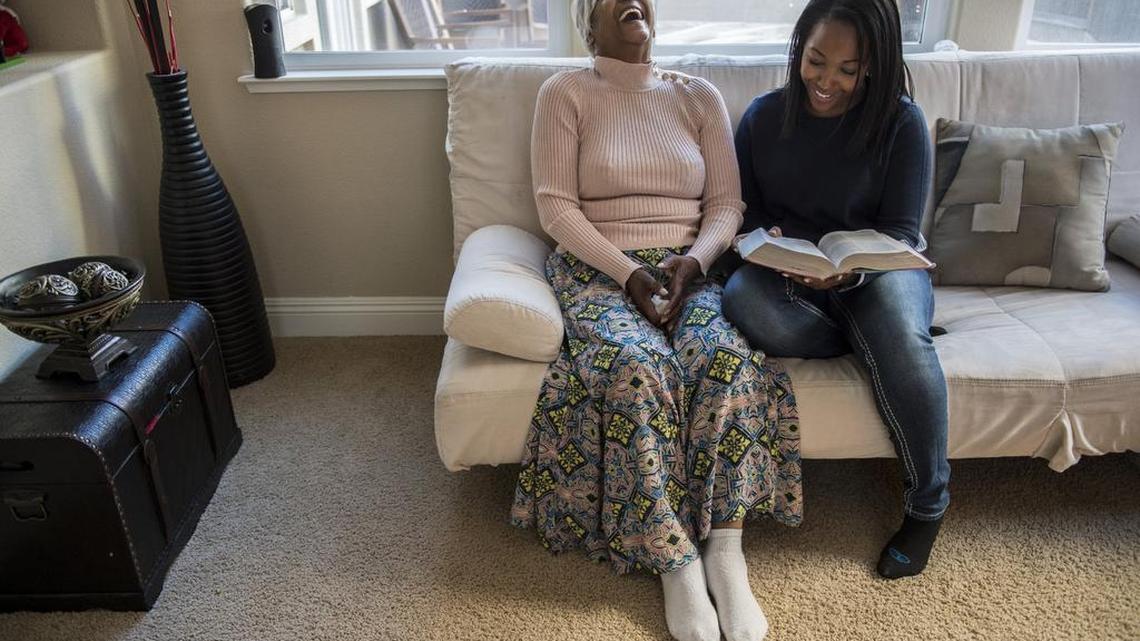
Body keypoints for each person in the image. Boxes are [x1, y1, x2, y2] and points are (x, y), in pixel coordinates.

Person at [510, 1, 802, 640]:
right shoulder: (565, 92)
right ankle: (676, 560)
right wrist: (627, 274)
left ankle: (726, 551)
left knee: (724, 358)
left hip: (688, 267)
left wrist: (692, 264)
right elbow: (556, 208)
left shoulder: (697, 97)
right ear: (590, 20)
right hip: (600, 269)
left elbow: (727, 205)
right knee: (636, 366)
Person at [720, 0, 949, 580]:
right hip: (794, 280)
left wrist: (849, 272)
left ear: (872, 64)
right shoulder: (764, 118)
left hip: (878, 271)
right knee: (742, 299)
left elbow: (902, 233)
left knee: (898, 329)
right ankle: (870, 344)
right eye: (817, 62)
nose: (827, 83)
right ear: (800, 49)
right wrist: (762, 237)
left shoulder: (901, 122)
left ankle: (928, 505)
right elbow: (742, 213)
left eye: (848, 70)